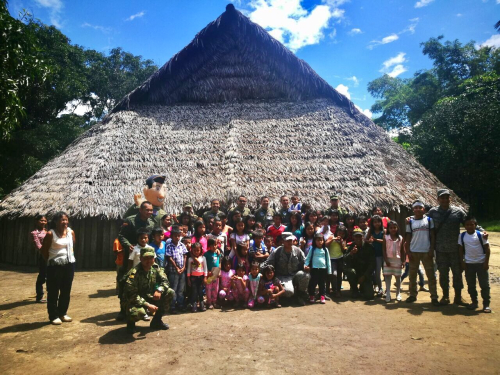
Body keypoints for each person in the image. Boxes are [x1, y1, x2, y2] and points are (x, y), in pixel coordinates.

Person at [426, 189, 472, 306]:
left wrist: (481, 231)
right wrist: (409, 219)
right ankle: (445, 296)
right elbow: (422, 219)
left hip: (455, 249)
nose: (445, 200)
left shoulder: (458, 212)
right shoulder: (433, 212)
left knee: (457, 274)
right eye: (442, 198)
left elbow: (469, 222)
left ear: (450, 198)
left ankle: (458, 297)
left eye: (447, 197)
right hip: (440, 250)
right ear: (438, 199)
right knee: (443, 274)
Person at [117, 201, 156, 320]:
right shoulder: (130, 220)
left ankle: (143, 308)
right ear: (140, 210)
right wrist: (128, 245)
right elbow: (121, 235)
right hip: (130, 256)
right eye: (147, 210)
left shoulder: (151, 222)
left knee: (145, 283)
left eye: (151, 210)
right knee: (125, 281)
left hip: (145, 257)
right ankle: (123, 310)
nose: (149, 212)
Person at [123, 247, 174, 334]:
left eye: (151, 258)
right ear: (140, 258)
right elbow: (132, 296)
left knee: (170, 292)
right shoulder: (134, 273)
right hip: (133, 301)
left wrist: (159, 290)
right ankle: (131, 324)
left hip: (149, 296)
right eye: (145, 258)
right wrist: (147, 305)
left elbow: (165, 281)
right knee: (138, 312)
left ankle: (156, 322)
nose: (148, 260)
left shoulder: (155, 268)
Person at [40, 212, 76, 325]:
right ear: (55, 222)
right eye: (62, 220)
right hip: (54, 266)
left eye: (66, 220)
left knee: (66, 290)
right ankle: (53, 316)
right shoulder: (51, 234)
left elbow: (73, 245)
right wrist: (52, 261)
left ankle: (63, 313)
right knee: (53, 291)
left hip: (69, 264)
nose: (65, 222)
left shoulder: (71, 232)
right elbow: (44, 251)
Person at [405, 200, 440, 306]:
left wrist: (431, 249)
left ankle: (434, 297)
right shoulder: (410, 222)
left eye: (420, 207)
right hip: (414, 251)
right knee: (412, 275)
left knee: (431, 275)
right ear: (413, 210)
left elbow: (432, 235)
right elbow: (408, 236)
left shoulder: (429, 220)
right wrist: (408, 251)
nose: (418, 209)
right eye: (415, 208)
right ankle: (412, 295)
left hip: (426, 251)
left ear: (423, 209)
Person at [261, 233, 309, 305]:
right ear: (283, 241)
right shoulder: (277, 251)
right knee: (289, 291)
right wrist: (258, 271)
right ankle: (283, 297)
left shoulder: (298, 251)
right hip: (282, 277)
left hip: (294, 275)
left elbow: (305, 261)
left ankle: (300, 295)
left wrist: (306, 266)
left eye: (291, 240)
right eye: (287, 240)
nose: (290, 242)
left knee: (306, 275)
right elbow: (267, 263)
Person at [459, 216, 491, 313]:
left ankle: (486, 304)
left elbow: (487, 249)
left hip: (481, 264)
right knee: (471, 285)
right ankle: (474, 302)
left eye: (472, 224)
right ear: (464, 226)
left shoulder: (481, 235)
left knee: (484, 285)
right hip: (469, 264)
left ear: (475, 225)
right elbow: (460, 250)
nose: (469, 226)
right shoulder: (462, 236)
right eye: (467, 225)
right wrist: (462, 262)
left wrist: (486, 263)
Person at [343, 228, 375, 300]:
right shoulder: (350, 247)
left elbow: (372, 264)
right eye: (356, 236)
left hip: (365, 274)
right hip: (355, 273)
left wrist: (364, 276)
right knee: (350, 271)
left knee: (369, 296)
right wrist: (351, 254)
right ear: (353, 237)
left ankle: (363, 287)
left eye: (359, 236)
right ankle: (355, 290)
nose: (358, 238)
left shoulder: (369, 247)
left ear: (363, 237)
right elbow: (344, 259)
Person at [165, 226, 188, 314]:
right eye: (175, 236)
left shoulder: (182, 245)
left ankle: (180, 304)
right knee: (173, 289)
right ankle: (172, 306)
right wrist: (177, 268)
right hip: (173, 271)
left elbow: (185, 256)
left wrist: (183, 267)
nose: (177, 238)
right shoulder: (169, 245)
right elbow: (169, 258)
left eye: (178, 236)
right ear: (171, 236)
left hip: (182, 271)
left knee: (181, 289)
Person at [304, 233, 332, 304]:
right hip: (314, 269)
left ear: (323, 241)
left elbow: (328, 260)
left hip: (323, 269)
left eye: (321, 240)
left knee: (322, 284)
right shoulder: (312, 249)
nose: (320, 242)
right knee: (313, 283)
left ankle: (322, 296)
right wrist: (305, 265)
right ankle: (312, 296)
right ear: (314, 241)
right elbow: (308, 258)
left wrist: (329, 271)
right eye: (318, 240)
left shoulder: (325, 250)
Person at [383, 221, 405, 302]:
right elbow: (384, 250)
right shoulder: (386, 237)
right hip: (388, 260)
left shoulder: (400, 238)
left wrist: (403, 261)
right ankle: (388, 293)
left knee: (398, 277)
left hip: (397, 260)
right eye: (391, 228)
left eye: (394, 227)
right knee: (388, 277)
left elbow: (403, 250)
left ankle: (398, 293)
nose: (393, 229)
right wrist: (386, 260)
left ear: (397, 228)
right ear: (388, 229)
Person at [366, 215, 385, 297]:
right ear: (372, 223)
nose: (377, 224)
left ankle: (387, 290)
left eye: (378, 222)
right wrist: (369, 241)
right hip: (375, 255)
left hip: (384, 254)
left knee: (386, 273)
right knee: (377, 273)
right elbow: (366, 240)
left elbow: (385, 241)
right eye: (375, 222)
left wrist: (375, 240)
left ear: (381, 223)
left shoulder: (384, 231)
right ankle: (380, 288)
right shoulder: (371, 231)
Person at [187, 242, 208, 312]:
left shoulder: (203, 258)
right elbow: (189, 269)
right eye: (194, 250)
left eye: (198, 250)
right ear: (192, 251)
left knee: (201, 291)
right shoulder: (190, 259)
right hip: (193, 278)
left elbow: (205, 268)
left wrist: (205, 277)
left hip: (201, 277)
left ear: (201, 250)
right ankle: (194, 305)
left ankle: (202, 305)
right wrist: (188, 279)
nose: (196, 252)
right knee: (194, 292)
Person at [31, 214, 48, 303]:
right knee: (42, 276)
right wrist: (45, 254)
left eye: (44, 220)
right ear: (36, 221)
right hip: (43, 257)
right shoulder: (34, 233)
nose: (43, 222)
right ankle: (39, 296)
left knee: (51, 276)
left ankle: (51, 295)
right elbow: (38, 246)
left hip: (51, 256)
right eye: (41, 220)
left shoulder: (48, 231)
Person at [328, 225, 347, 298]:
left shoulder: (343, 240)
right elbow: (326, 244)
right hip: (332, 259)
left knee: (339, 275)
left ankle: (338, 290)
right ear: (336, 232)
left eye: (343, 234)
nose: (341, 235)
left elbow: (343, 250)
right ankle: (334, 289)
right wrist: (332, 239)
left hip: (340, 259)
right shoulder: (331, 237)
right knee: (334, 274)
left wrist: (340, 243)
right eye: (339, 233)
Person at [204, 238, 221, 309]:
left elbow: (219, 262)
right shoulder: (206, 254)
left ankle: (214, 301)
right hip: (209, 275)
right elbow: (204, 264)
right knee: (209, 289)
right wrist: (207, 272)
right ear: (209, 246)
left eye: (216, 245)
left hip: (216, 274)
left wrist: (219, 271)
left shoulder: (218, 253)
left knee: (215, 288)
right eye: (213, 245)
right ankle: (209, 302)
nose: (215, 246)